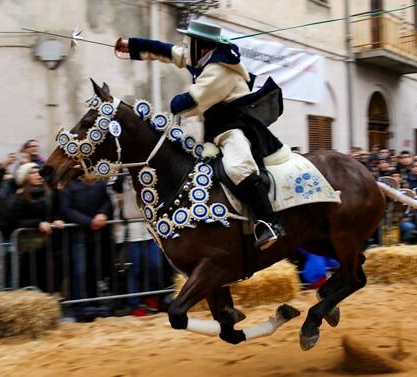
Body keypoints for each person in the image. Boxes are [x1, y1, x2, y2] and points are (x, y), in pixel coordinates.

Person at [115, 19, 285, 249]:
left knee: (238, 167)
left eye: (190, 42)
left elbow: (193, 102)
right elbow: (168, 51)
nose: (186, 46)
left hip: (235, 127)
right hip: (215, 131)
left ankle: (269, 223)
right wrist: (130, 45)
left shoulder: (219, 69)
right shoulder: (205, 59)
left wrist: (173, 103)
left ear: (202, 46)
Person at [59, 179, 113, 321]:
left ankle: (93, 304)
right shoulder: (67, 183)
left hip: (97, 235)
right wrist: (89, 222)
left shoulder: (98, 182)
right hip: (78, 235)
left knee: (94, 270)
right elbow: (66, 209)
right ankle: (79, 307)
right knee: (79, 271)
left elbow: (107, 201)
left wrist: (103, 213)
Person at [112, 173, 164, 317]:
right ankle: (134, 303)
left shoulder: (147, 173)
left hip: (149, 226)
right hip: (132, 227)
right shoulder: (122, 176)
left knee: (155, 264)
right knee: (135, 269)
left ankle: (151, 295)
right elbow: (114, 192)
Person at [11, 163, 65, 291]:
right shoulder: (19, 197)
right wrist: (37, 224)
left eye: (38, 172)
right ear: (25, 177)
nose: (37, 175)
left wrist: (57, 219)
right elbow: (16, 221)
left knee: (53, 276)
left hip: (52, 242)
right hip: (32, 245)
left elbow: (57, 209)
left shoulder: (50, 193)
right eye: (33, 172)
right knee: (32, 277)